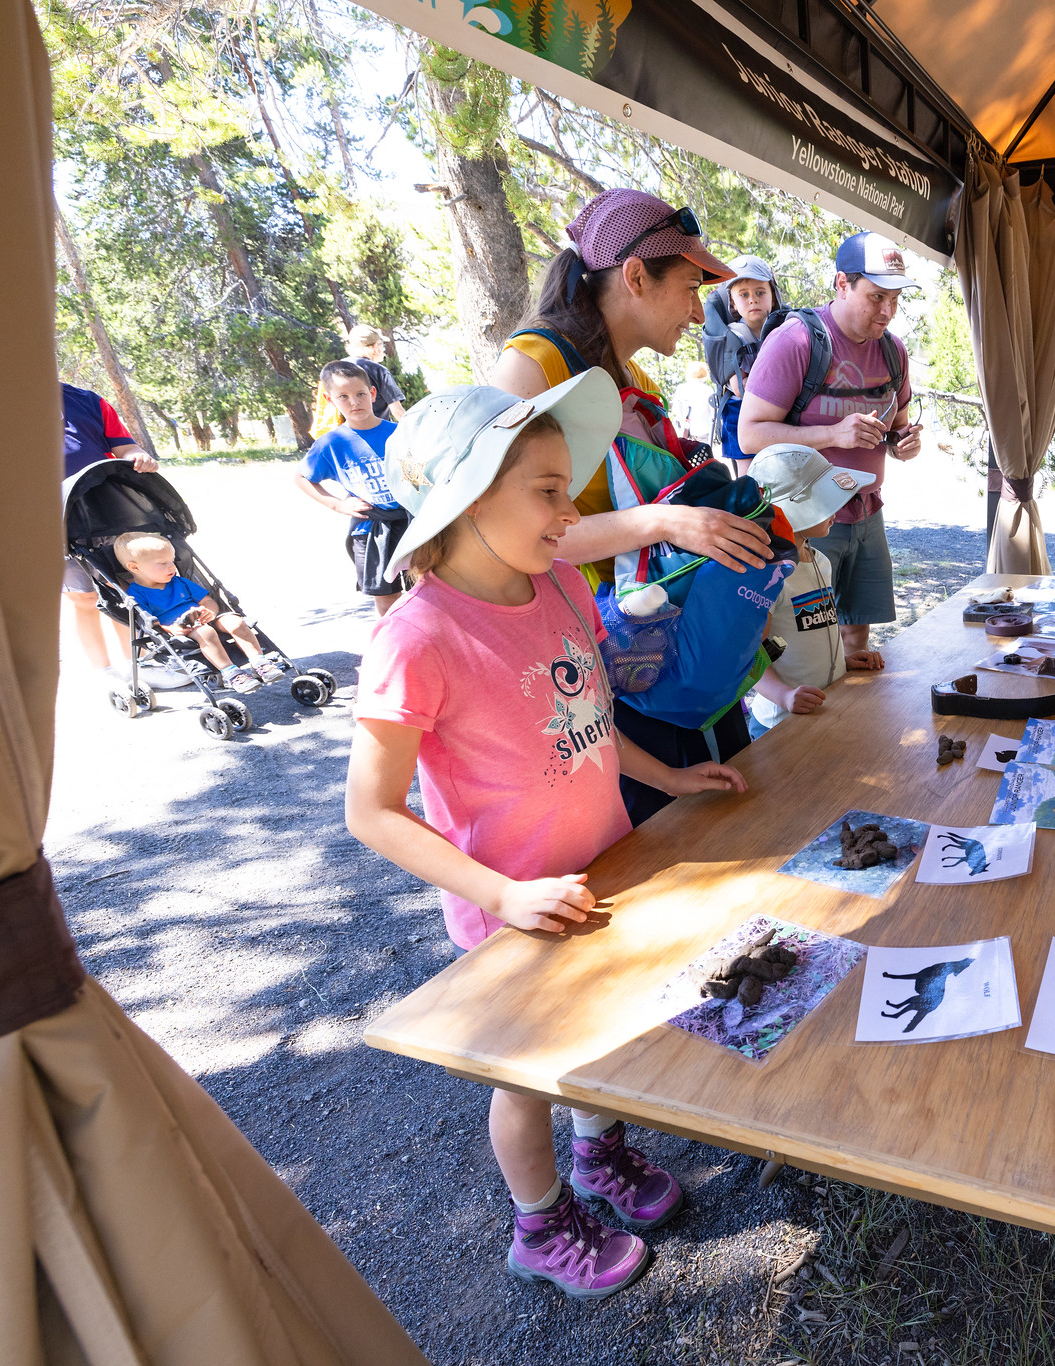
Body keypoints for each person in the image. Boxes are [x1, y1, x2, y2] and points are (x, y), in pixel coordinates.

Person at [345, 374, 747, 1298]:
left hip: (602, 866)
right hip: (514, 906)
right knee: (527, 1074)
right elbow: (370, 810)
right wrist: (498, 894)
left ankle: (600, 1158)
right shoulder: (417, 637)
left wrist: (671, 777)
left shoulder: (562, 585)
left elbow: (592, 720)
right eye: (549, 491)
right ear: (469, 494)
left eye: (568, 488)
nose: (571, 513)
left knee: (596, 1036)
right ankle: (539, 1221)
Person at [489, 189, 773, 813]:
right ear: (637, 276)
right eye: (692, 288)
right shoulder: (532, 367)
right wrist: (661, 520)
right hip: (603, 665)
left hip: (665, 654)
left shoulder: (637, 383)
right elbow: (511, 536)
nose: (701, 314)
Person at [737, 231, 927, 672]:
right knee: (800, 638)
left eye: (895, 299)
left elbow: (895, 432)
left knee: (856, 638)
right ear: (842, 284)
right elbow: (750, 435)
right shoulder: (797, 342)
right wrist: (831, 435)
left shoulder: (894, 352)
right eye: (876, 297)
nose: (887, 312)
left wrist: (904, 444)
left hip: (867, 511)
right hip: (806, 520)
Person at [743, 445, 884, 735]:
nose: (839, 508)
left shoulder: (820, 560)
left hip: (818, 710)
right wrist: (784, 696)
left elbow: (811, 627)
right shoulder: (768, 576)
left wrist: (842, 663)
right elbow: (747, 657)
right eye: (825, 499)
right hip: (779, 723)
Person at [296, 360, 408, 616]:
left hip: (412, 523)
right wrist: (337, 504)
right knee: (386, 597)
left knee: (425, 590)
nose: (354, 402)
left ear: (372, 393)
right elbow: (302, 478)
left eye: (360, 394)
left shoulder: (400, 433)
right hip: (371, 529)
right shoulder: (331, 443)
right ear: (330, 399)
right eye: (343, 396)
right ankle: (395, 648)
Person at [61, 380, 157, 671]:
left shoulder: (87, 400)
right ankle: (105, 671)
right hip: (49, 513)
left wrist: (137, 456)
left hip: (105, 507)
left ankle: (140, 666)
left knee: (121, 586)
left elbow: (125, 446)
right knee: (84, 597)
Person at [114, 531, 284, 693]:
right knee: (206, 631)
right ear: (135, 568)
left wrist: (209, 611)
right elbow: (148, 621)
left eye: (172, 561)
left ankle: (259, 661)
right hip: (180, 629)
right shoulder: (136, 594)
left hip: (203, 617)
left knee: (235, 621)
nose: (171, 567)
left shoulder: (179, 582)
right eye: (162, 563)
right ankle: (231, 673)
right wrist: (171, 629)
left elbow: (207, 600)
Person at [701, 255, 785, 473]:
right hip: (740, 412)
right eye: (744, 295)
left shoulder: (783, 331)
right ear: (733, 303)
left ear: (773, 297)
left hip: (776, 411)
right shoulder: (733, 336)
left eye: (760, 292)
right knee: (750, 478)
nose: (752, 300)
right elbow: (740, 386)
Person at [310, 325, 407, 436]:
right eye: (381, 344)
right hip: (379, 436)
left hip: (346, 437)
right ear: (375, 347)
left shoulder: (334, 371)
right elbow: (397, 411)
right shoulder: (378, 370)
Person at [668, 362, 714, 444]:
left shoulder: (681, 388)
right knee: (704, 455)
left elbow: (676, 409)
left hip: (684, 431)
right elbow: (713, 412)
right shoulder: (708, 390)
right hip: (704, 430)